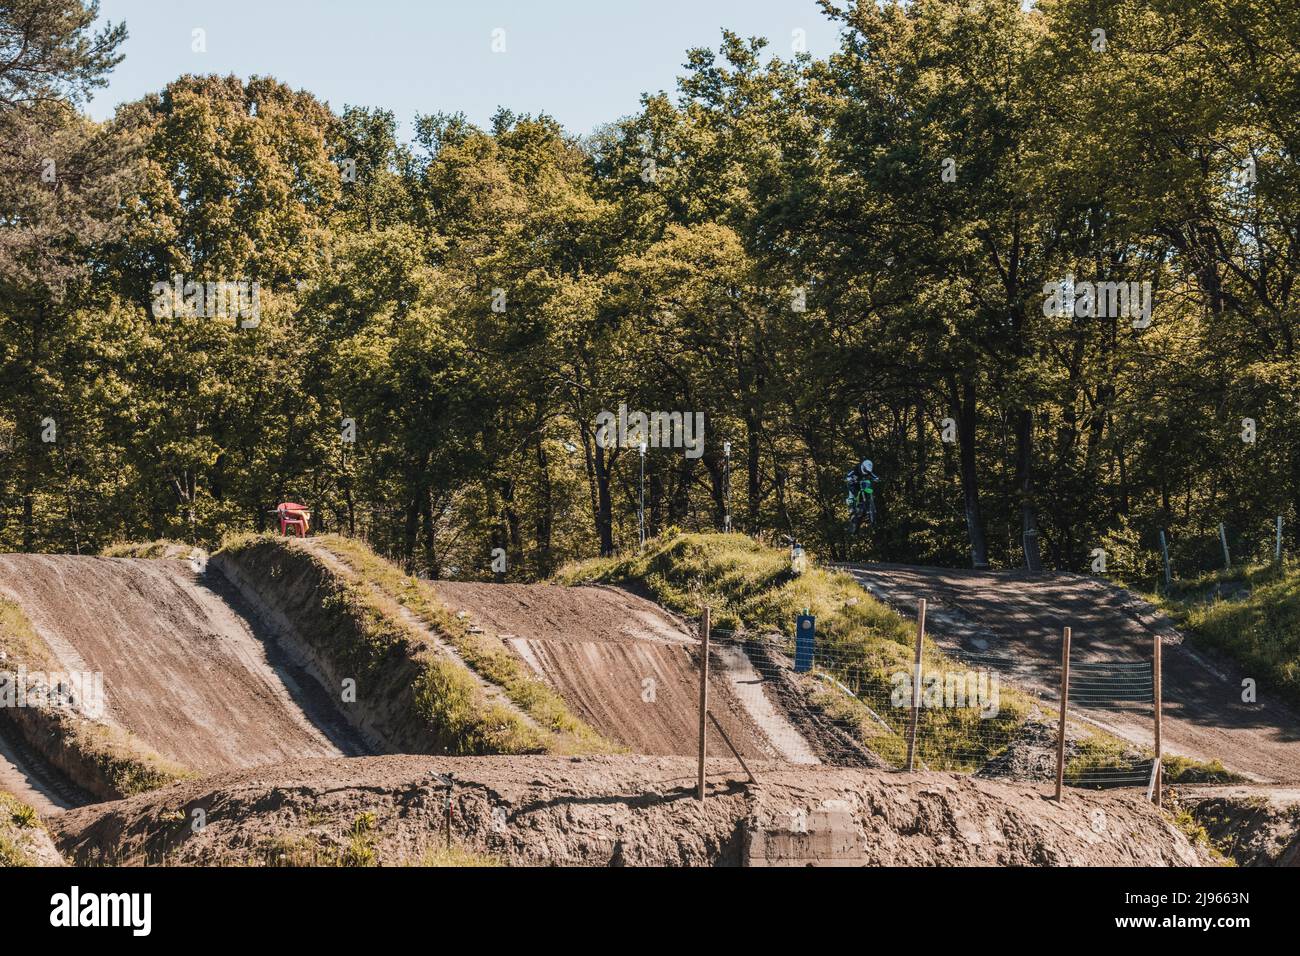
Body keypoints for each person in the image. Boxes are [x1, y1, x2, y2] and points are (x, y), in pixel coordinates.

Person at [845, 459, 879, 532]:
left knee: (868, 485)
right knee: (851, 491)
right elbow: (848, 475)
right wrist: (849, 479)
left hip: (862, 484)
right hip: (854, 484)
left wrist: (876, 478)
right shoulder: (856, 469)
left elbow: (872, 475)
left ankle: (868, 507)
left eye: (867, 471)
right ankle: (851, 507)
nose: (866, 472)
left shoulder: (868, 471)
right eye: (865, 470)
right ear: (862, 467)